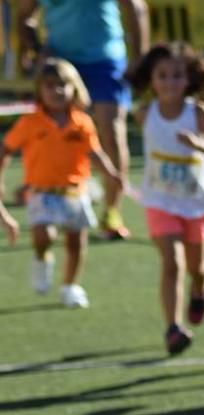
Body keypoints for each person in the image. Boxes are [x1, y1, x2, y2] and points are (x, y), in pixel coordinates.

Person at [126, 42, 204, 355]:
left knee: (198, 267)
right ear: (151, 80)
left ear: (189, 79)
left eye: (177, 75)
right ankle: (173, 327)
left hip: (195, 201)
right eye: (162, 75)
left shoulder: (198, 113)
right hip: (159, 200)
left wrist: (199, 144)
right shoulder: (144, 114)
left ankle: (200, 289)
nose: (170, 82)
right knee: (172, 262)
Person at [18, 0, 149, 240]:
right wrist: (35, 48)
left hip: (105, 59)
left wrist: (140, 58)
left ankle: (112, 210)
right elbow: (25, 16)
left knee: (111, 131)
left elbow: (136, 7)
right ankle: (51, 192)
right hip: (62, 62)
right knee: (53, 129)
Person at [0, 58, 124, 308]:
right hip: (41, 191)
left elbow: (94, 151)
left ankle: (70, 286)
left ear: (74, 88)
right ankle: (41, 259)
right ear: (39, 90)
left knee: (76, 242)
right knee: (43, 235)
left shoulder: (82, 123)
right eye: (49, 85)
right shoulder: (30, 123)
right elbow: (6, 148)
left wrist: (111, 173)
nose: (56, 91)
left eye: (62, 84)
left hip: (74, 191)